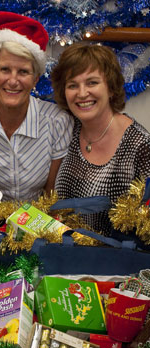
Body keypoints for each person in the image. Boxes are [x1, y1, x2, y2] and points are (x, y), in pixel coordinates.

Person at [0, 11, 73, 201]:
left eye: (23, 72)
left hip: (40, 220)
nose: (13, 81)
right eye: (5, 69)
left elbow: (52, 197)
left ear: (35, 79)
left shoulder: (57, 122)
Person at [52, 43, 150, 235]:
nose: (82, 93)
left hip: (117, 260)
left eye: (92, 83)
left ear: (111, 88)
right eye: (73, 85)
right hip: (64, 253)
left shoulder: (140, 145)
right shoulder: (66, 129)